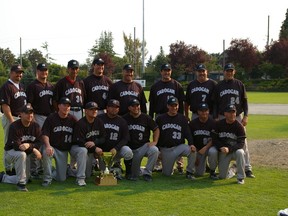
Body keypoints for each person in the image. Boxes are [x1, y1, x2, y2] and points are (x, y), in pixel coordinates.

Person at [213, 63, 255, 178]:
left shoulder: (239, 84)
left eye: (231, 71)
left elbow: (244, 101)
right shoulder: (219, 85)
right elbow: (215, 102)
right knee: (222, 140)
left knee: (243, 143)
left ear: (234, 72)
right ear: (224, 72)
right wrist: (216, 116)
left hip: (236, 116)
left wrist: (246, 115)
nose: (229, 72)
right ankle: (220, 167)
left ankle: (247, 168)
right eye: (227, 71)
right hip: (222, 116)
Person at [149, 63, 185, 173]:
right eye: (164, 70)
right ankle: (159, 161)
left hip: (175, 115)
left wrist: (181, 116)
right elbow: (152, 105)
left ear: (171, 71)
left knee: (178, 137)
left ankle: (180, 163)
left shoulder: (177, 85)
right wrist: (150, 119)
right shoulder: (155, 86)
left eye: (168, 70)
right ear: (161, 72)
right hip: (160, 115)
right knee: (160, 138)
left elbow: (181, 104)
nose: (166, 72)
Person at [0, 104, 42, 191]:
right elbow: (16, 146)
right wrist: (33, 148)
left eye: (31, 113)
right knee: (21, 154)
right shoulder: (14, 126)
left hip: (24, 153)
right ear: (21, 114)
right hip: (11, 152)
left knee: (26, 177)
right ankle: (21, 184)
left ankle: (3, 177)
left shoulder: (36, 126)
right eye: (27, 113)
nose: (30, 115)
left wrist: (30, 146)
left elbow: (39, 142)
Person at [156, 96, 197, 179]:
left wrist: (191, 144)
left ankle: (189, 172)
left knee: (192, 151)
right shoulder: (160, 119)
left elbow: (187, 133)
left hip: (179, 147)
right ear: (167, 106)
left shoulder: (183, 118)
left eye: (176, 105)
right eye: (171, 105)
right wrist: (158, 149)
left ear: (178, 106)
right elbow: (156, 134)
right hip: (166, 149)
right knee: (167, 174)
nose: (174, 107)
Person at [26, 63, 54, 178]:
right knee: (37, 141)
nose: (44, 72)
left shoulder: (51, 86)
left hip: (50, 117)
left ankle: (43, 167)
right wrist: (31, 118)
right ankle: (34, 169)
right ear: (37, 71)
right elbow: (29, 103)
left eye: (45, 70)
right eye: (42, 70)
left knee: (47, 142)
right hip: (38, 116)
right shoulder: (33, 86)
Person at [41, 97, 77, 186]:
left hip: (63, 150)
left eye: (68, 106)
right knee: (46, 152)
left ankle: (56, 170)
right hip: (52, 147)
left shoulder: (73, 119)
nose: (66, 108)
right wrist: (48, 146)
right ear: (58, 106)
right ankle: (47, 178)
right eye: (64, 105)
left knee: (61, 179)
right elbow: (45, 134)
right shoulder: (51, 118)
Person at [69, 101, 106, 186]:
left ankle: (71, 170)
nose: (94, 111)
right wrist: (95, 148)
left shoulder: (99, 122)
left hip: (90, 149)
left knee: (88, 175)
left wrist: (94, 143)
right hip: (77, 148)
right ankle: (80, 179)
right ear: (86, 111)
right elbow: (80, 142)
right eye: (91, 109)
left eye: (96, 109)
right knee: (83, 150)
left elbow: (104, 137)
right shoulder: (80, 123)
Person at [123, 98, 160, 181]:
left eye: (137, 105)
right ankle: (138, 170)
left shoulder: (146, 117)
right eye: (133, 106)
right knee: (134, 174)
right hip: (130, 148)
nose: (136, 107)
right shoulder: (125, 118)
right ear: (129, 108)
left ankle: (147, 173)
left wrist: (155, 141)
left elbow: (156, 129)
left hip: (143, 146)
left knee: (154, 150)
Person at [0, 64, 27, 175]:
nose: (19, 74)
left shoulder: (21, 86)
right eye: (17, 72)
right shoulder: (7, 86)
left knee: (19, 143)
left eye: (21, 72)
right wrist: (11, 121)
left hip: (21, 119)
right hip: (11, 118)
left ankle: (16, 168)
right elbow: (5, 106)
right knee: (9, 143)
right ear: (11, 72)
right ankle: (8, 169)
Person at [97, 99, 133, 180]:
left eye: (116, 107)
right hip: (103, 153)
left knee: (128, 151)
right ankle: (116, 170)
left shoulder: (122, 121)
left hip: (116, 150)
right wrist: (96, 148)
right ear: (107, 108)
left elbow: (126, 138)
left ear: (119, 109)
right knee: (105, 173)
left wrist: (116, 148)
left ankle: (128, 173)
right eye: (112, 107)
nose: (114, 109)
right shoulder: (99, 119)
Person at [212, 104, 246, 184]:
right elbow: (214, 139)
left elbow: (241, 143)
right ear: (225, 114)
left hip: (234, 151)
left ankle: (240, 177)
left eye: (233, 112)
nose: (232, 115)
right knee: (222, 177)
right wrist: (221, 147)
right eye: (230, 112)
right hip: (224, 152)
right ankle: (233, 169)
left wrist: (229, 149)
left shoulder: (239, 126)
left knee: (240, 152)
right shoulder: (219, 124)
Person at [189, 103, 218, 179]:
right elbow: (190, 139)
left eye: (206, 110)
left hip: (208, 148)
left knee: (213, 152)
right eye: (201, 111)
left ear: (208, 111)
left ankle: (212, 171)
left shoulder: (213, 123)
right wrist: (195, 155)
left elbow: (215, 139)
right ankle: (204, 165)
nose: (204, 113)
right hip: (198, 150)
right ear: (198, 112)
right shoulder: (192, 123)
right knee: (199, 174)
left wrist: (206, 147)